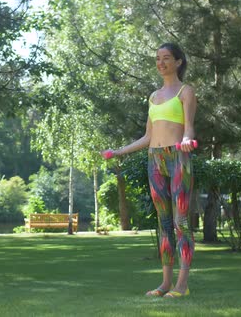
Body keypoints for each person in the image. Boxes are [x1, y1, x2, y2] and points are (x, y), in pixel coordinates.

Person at [101, 43, 197, 298]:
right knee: (164, 224)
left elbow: (189, 128)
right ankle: (165, 284)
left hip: (178, 157)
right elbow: (147, 136)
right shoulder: (153, 97)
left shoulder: (186, 92)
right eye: (157, 58)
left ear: (178, 62)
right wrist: (119, 151)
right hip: (154, 159)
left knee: (180, 222)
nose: (161, 62)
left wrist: (187, 140)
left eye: (166, 58)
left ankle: (182, 285)